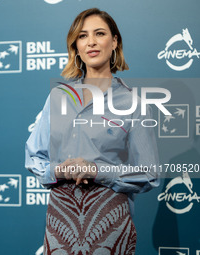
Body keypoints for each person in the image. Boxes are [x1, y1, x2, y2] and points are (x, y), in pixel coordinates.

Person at [25, 8, 160, 255]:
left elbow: (149, 173)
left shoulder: (134, 103)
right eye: (83, 36)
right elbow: (34, 157)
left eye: (100, 33)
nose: (92, 42)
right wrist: (58, 170)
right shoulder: (58, 97)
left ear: (115, 41)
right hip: (61, 223)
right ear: (75, 46)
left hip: (109, 224)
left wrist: (98, 171)